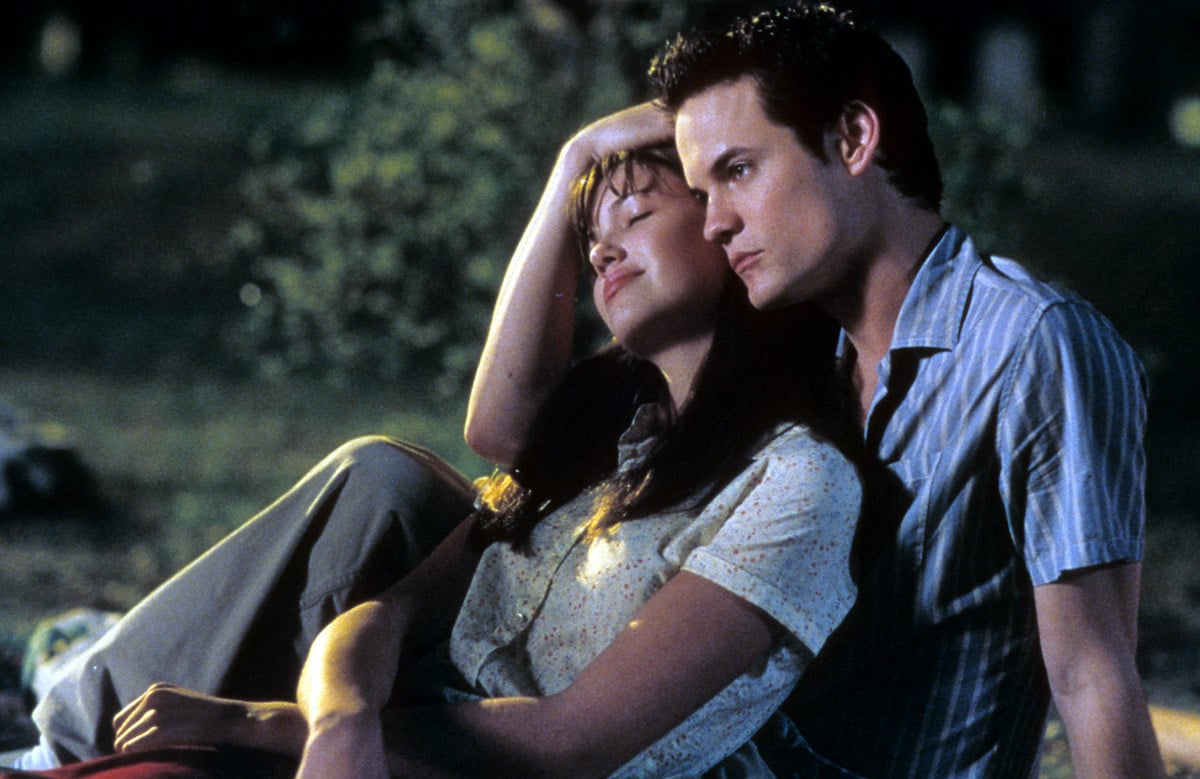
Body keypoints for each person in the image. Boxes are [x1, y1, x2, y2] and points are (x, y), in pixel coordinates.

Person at [3, 107, 864, 778]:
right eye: (591, 233)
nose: (601, 249)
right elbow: (395, 606)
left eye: (634, 212)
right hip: (417, 723)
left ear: (729, 228)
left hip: (485, 751)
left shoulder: (796, 479)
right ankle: (74, 714)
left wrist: (258, 723)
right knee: (378, 480)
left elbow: (569, 746)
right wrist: (338, 718)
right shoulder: (609, 438)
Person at [647, 3, 1165, 778]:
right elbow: (509, 434)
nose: (715, 223)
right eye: (701, 190)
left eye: (739, 170)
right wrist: (580, 155)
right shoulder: (799, 362)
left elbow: (1093, 673)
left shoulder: (1031, 342)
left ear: (854, 138)